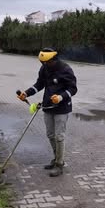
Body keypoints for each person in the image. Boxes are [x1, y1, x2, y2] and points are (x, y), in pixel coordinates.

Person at [18, 48, 78, 177]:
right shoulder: (45, 68)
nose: (44, 65)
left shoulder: (65, 69)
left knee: (59, 136)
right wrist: (26, 93)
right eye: (42, 63)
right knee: (50, 135)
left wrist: (60, 97)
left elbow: (73, 88)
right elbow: (39, 84)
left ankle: (59, 164)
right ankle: (56, 159)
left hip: (62, 108)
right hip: (48, 106)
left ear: (53, 60)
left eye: (47, 63)